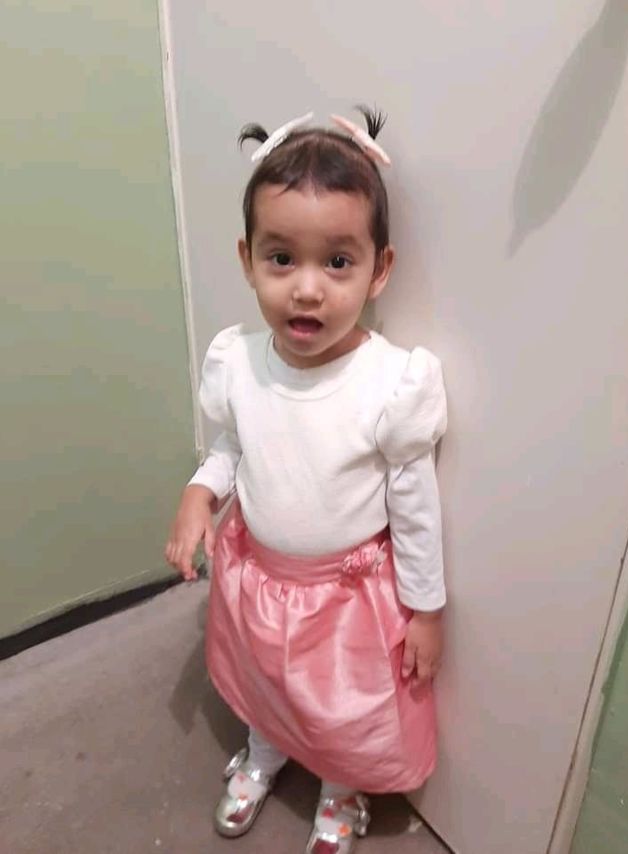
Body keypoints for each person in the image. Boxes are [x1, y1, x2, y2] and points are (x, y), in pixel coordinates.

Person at [165, 106, 448, 854]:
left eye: (338, 263)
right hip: (257, 579)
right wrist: (200, 492)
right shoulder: (239, 362)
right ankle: (264, 751)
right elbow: (233, 445)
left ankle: (340, 788)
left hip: (345, 600)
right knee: (266, 681)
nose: (308, 290)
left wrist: (426, 609)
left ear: (379, 269)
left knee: (342, 709)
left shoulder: (390, 385)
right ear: (247, 259)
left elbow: (415, 508)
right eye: (283, 259)